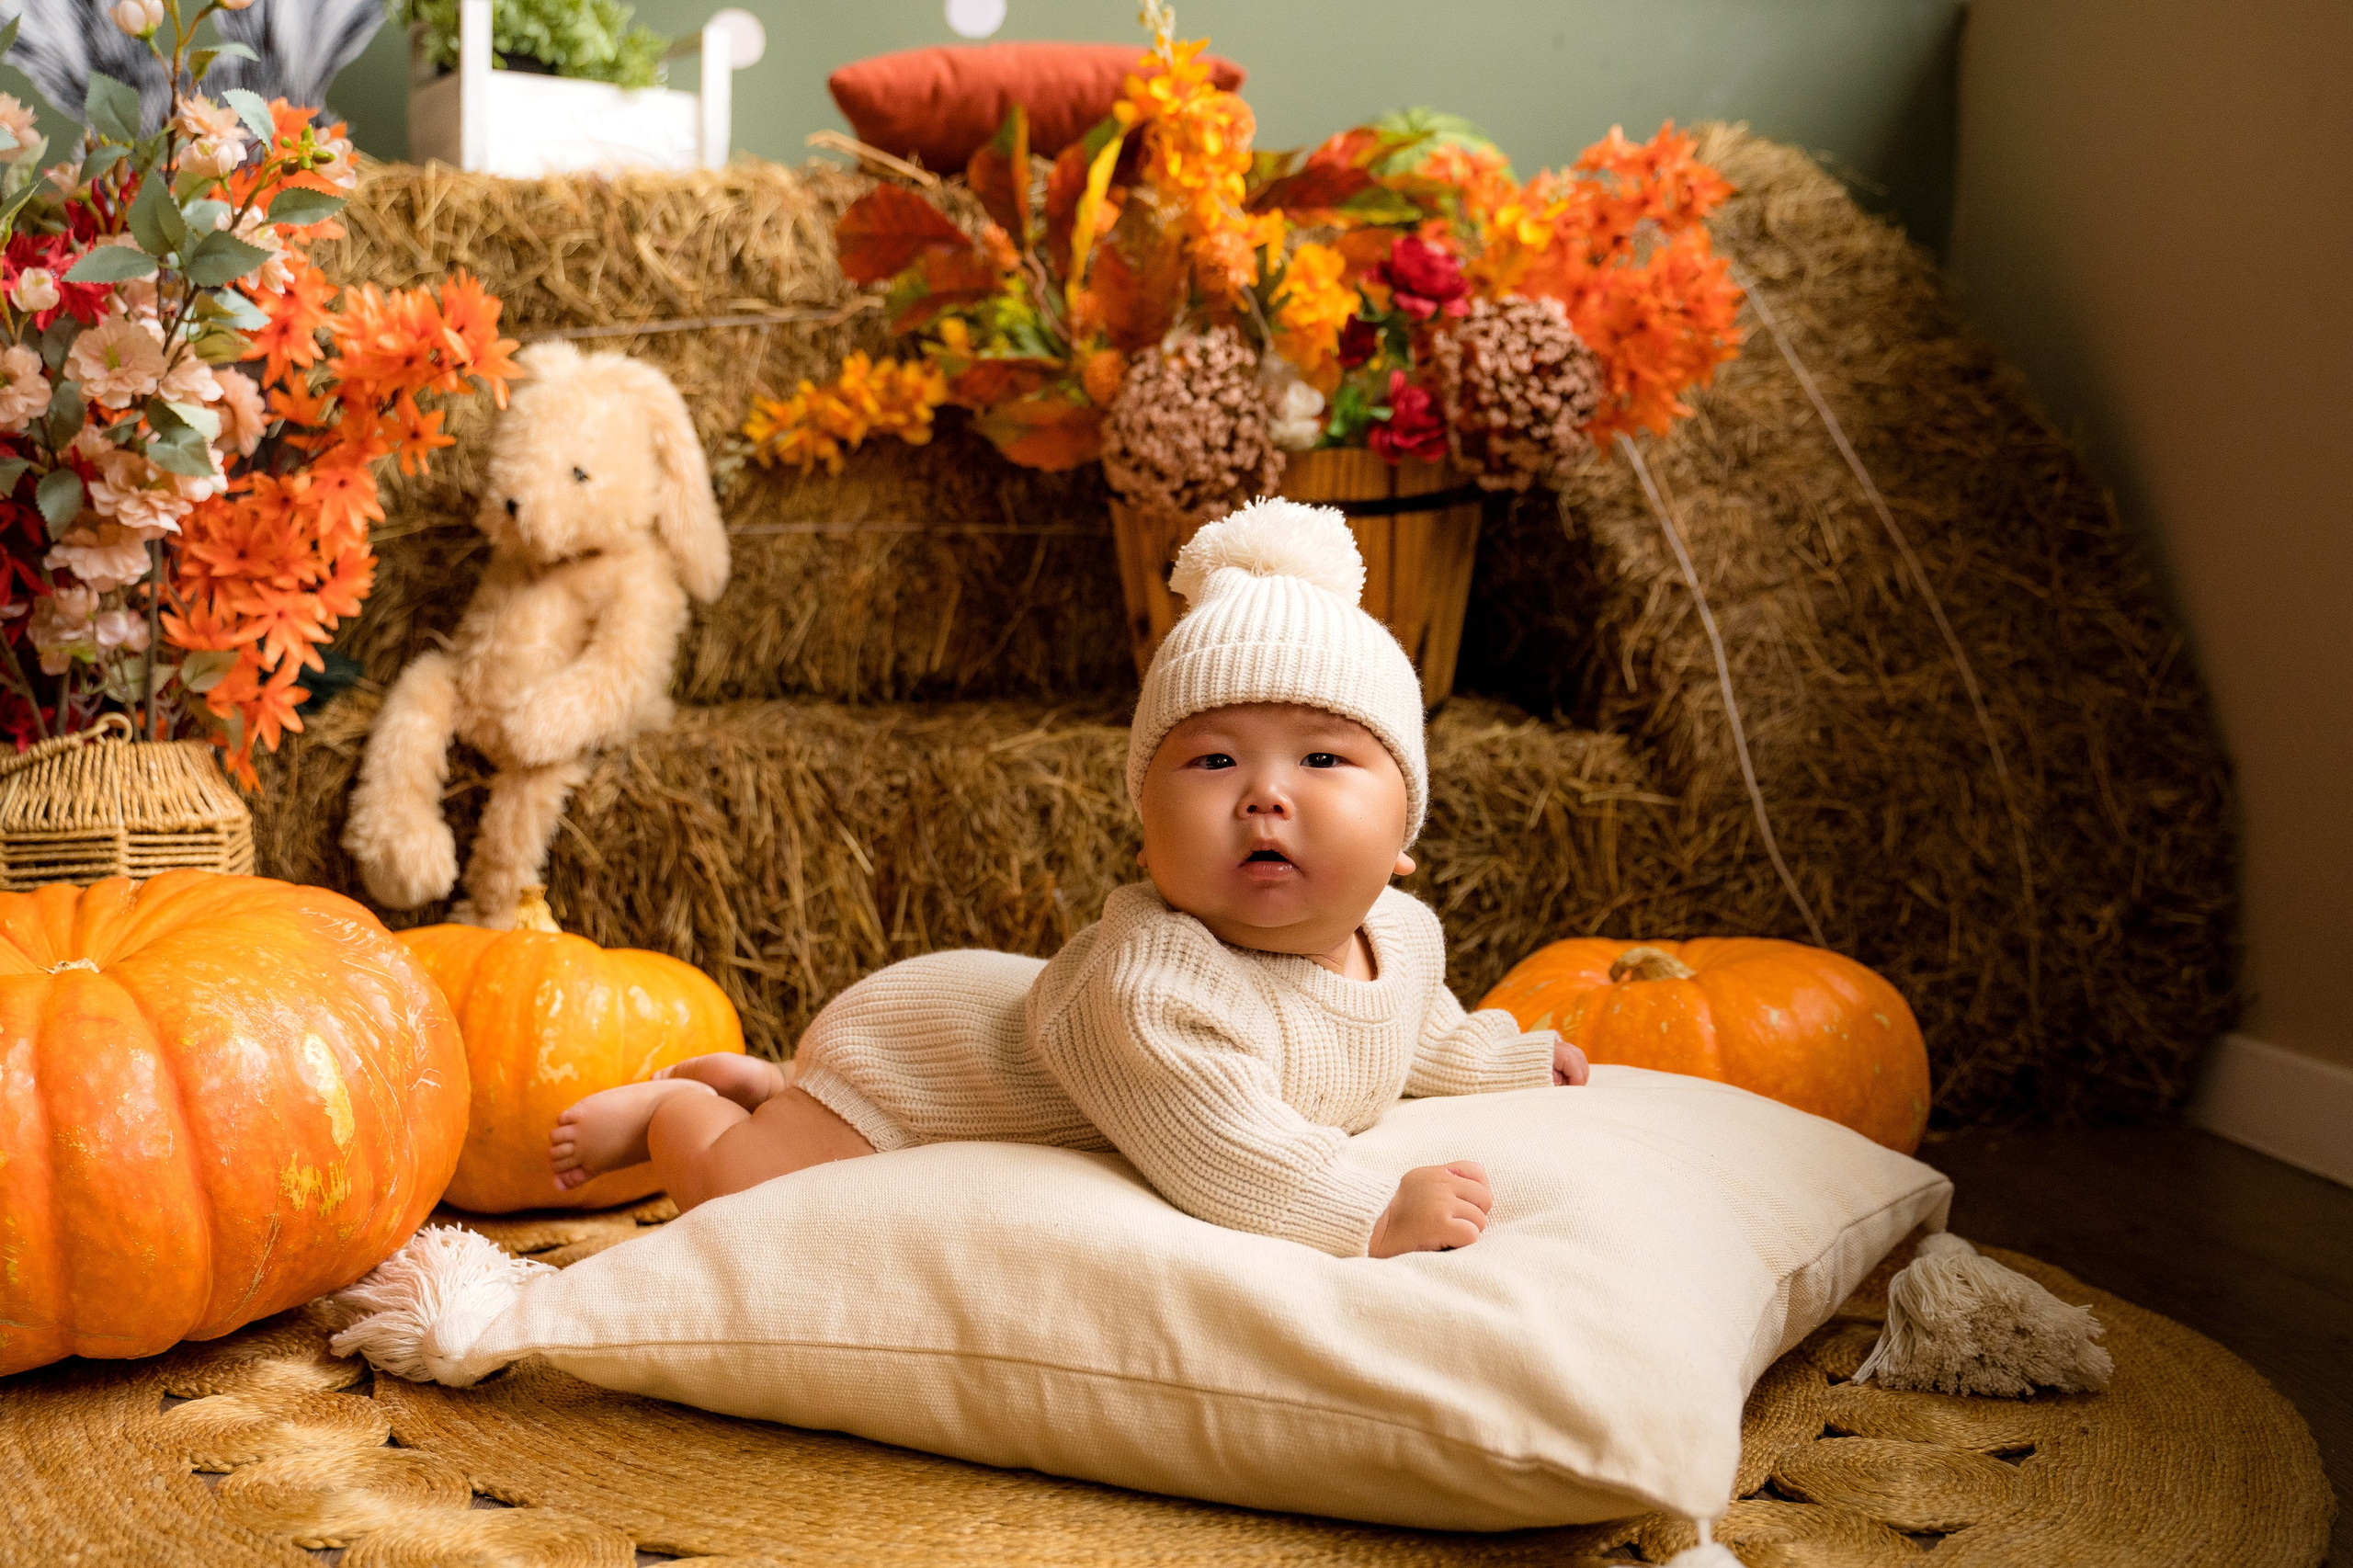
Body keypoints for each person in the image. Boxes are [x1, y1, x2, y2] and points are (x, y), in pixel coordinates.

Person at [548, 499, 1588, 1257]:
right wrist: (1367, 1213)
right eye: (1213, 759)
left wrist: (1504, 1059)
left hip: (966, 1019)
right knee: (745, 1196)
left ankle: (769, 1082)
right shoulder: (1155, 984)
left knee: (788, 1111)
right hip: (913, 1065)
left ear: (1405, 828)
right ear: (1145, 835)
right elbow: (1226, 1147)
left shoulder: (1401, 935)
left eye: (1323, 759)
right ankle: (677, 1112)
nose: (1266, 794)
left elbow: (1418, 1027)